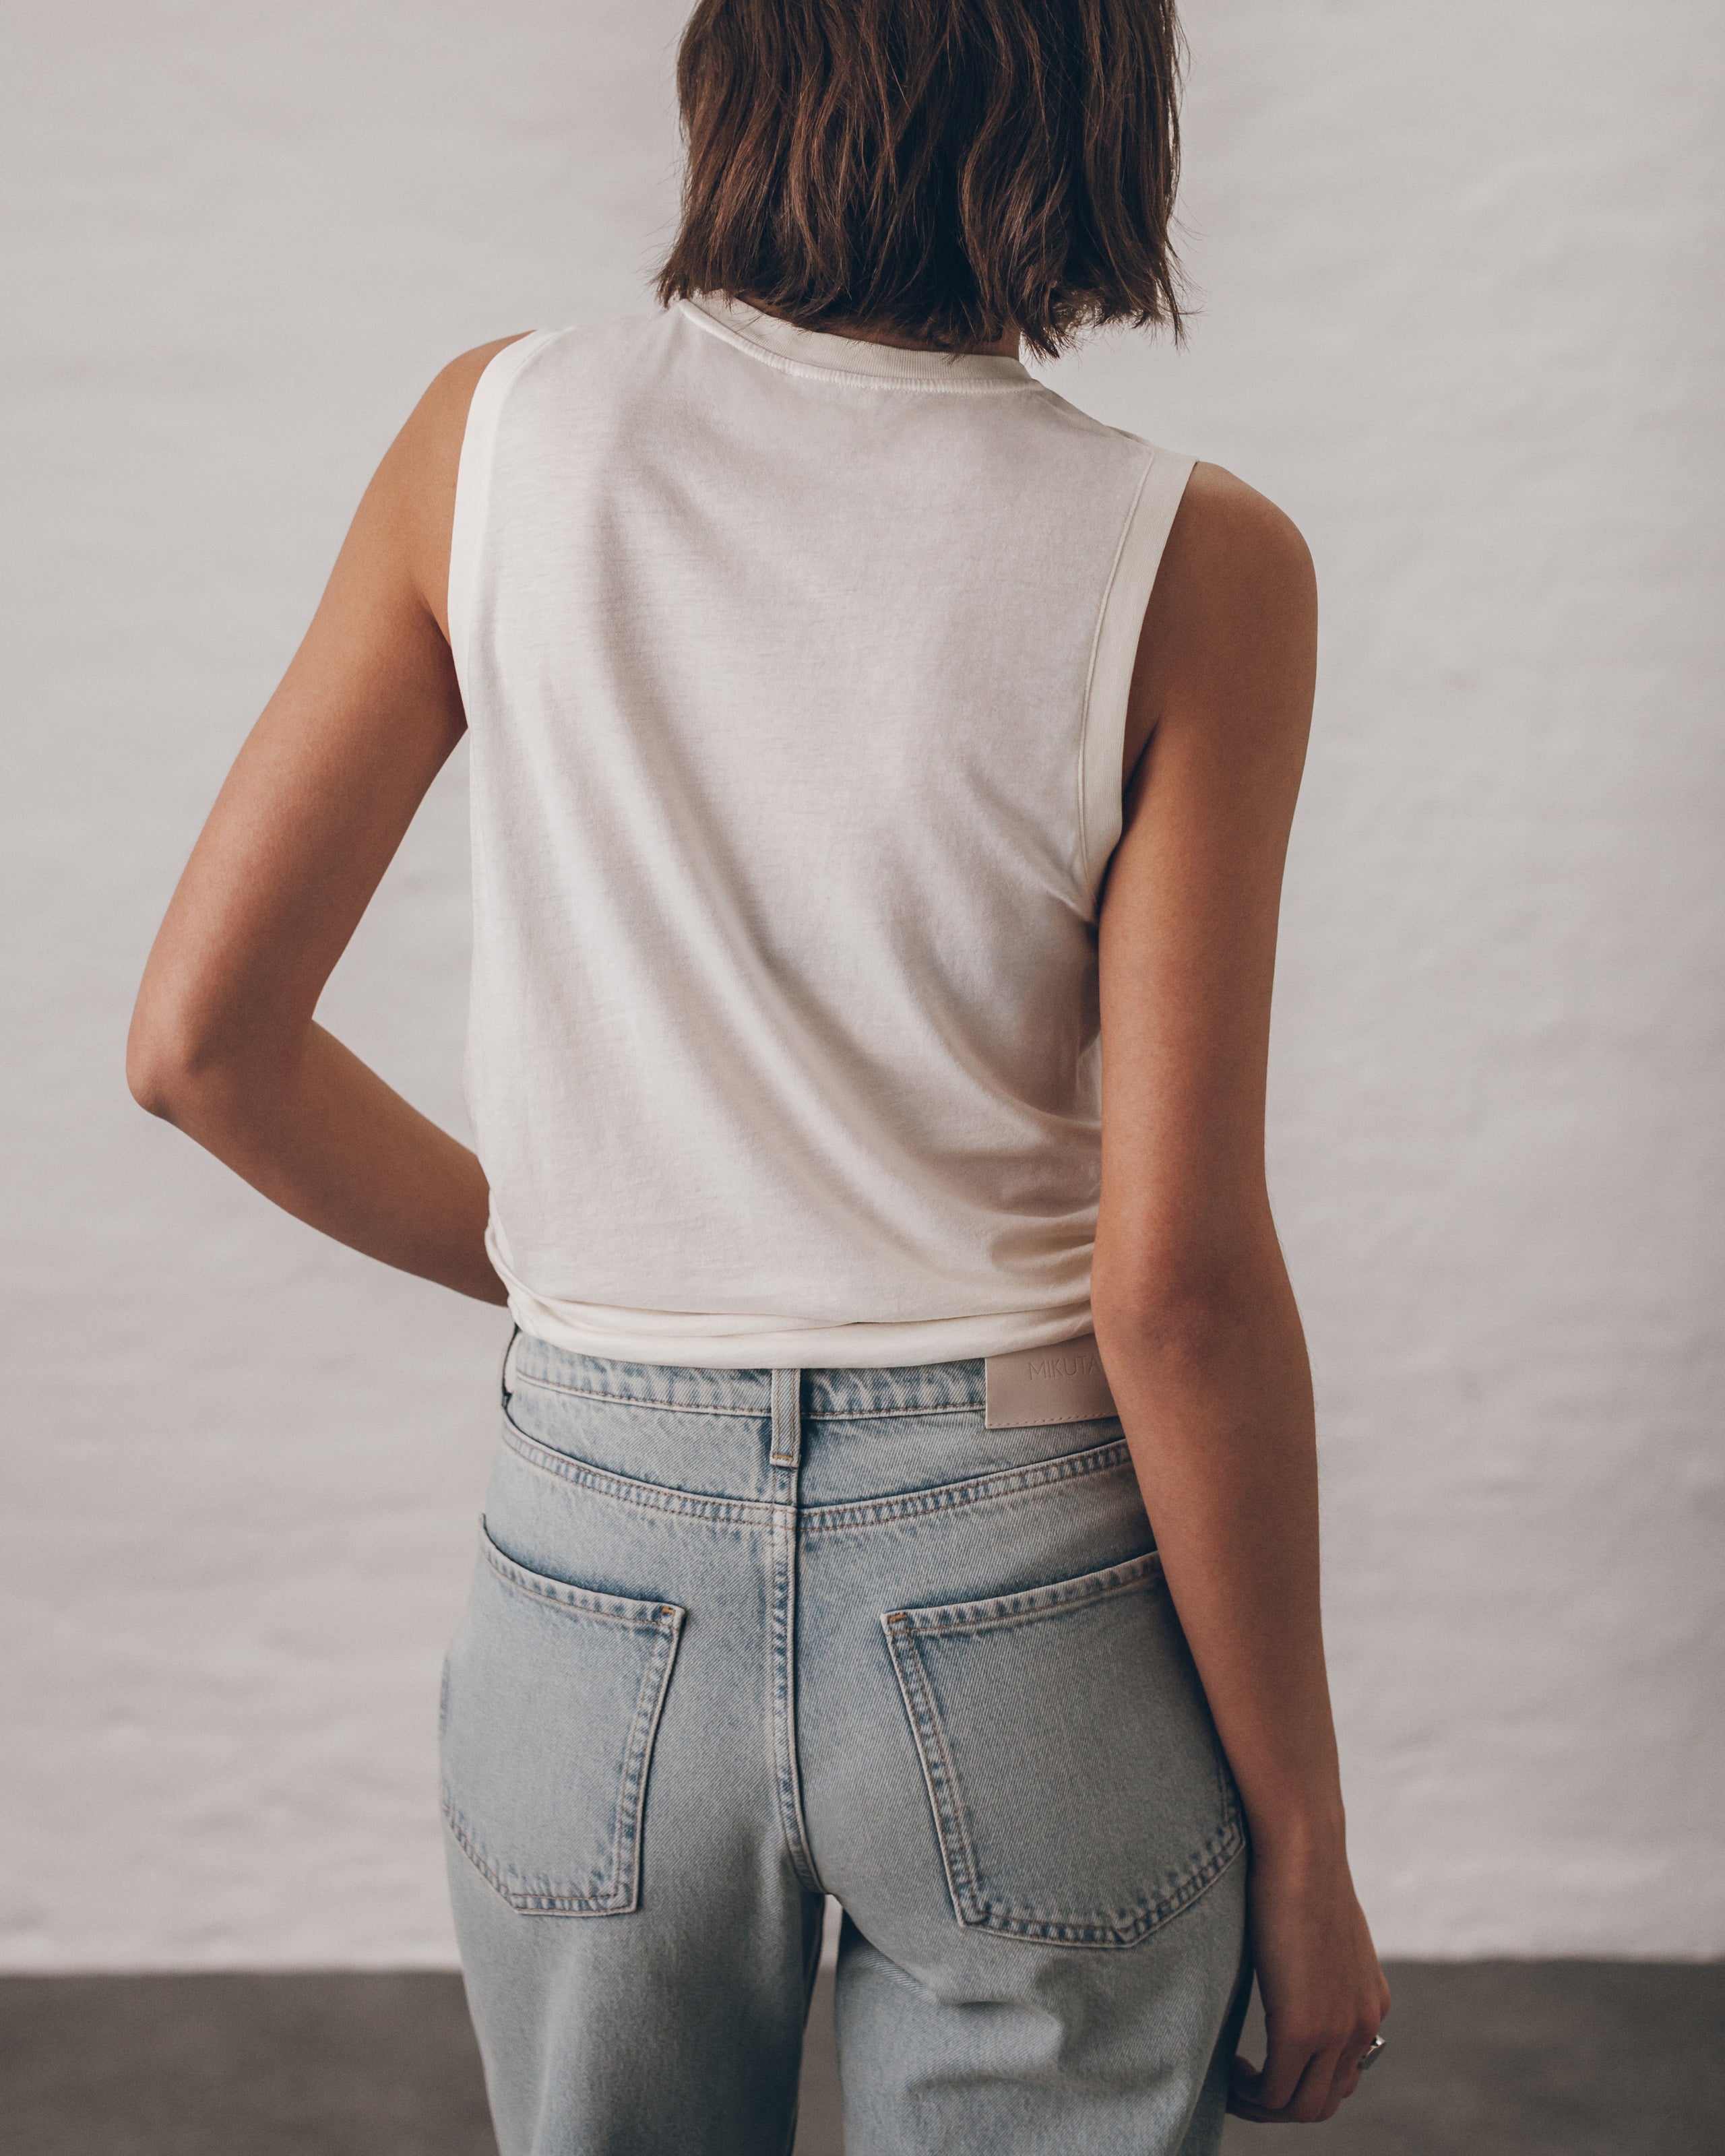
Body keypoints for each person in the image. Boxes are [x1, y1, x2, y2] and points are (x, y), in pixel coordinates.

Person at [127, 0, 1390, 2148]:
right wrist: (1306, 1839)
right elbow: (1171, 1287)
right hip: (1024, 1592)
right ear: (1104, 102)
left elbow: (201, 1045)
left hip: (594, 1579)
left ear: (740, 68)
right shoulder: (1198, 567)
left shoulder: (495, 439)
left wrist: (588, 1281)